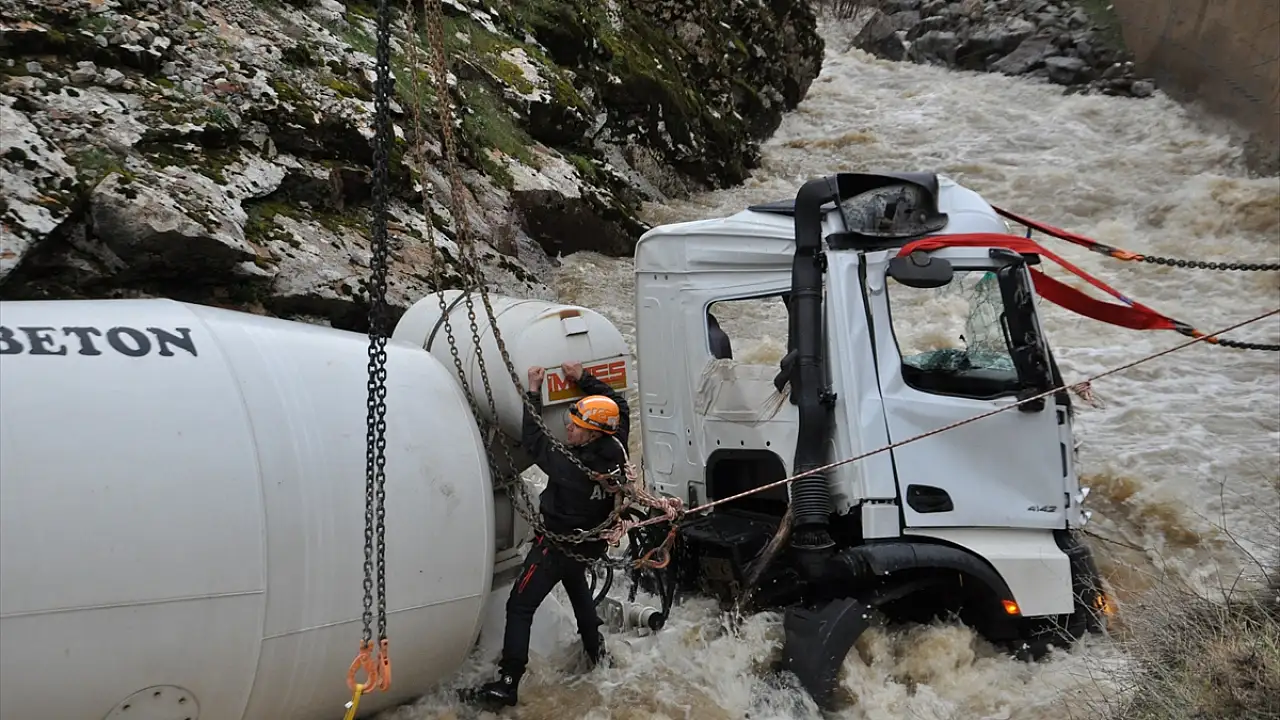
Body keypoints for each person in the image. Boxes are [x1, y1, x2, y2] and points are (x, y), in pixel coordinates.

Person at [461, 360, 630, 709]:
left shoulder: (570, 467)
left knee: (520, 606)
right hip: (588, 546)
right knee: (577, 584)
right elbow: (621, 407)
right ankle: (597, 652)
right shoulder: (617, 448)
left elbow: (535, 438)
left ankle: (507, 684)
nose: (568, 428)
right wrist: (582, 379)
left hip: (556, 548)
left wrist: (534, 391)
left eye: (577, 426)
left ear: (594, 433)